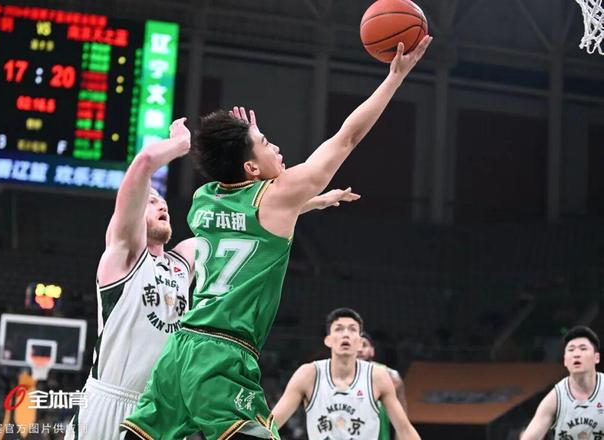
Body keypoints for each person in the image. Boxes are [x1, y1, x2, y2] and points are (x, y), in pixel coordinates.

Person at [121, 36, 432, 440]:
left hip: (179, 351)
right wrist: (395, 78)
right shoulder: (277, 196)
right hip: (223, 354)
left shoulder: (203, 199)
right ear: (251, 168)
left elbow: (250, 221)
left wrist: (308, 200)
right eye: (266, 144)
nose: (277, 147)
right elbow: (347, 138)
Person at [65, 119, 196, 440]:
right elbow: (144, 163)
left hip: (159, 412)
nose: (161, 204)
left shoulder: (182, 263)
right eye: (151, 201)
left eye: (163, 203)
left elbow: (238, 227)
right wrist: (180, 144)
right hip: (108, 403)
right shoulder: (123, 254)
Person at [271, 308, 420, 439]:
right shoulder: (309, 374)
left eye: (352, 329)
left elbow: (405, 430)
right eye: (339, 329)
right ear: (328, 340)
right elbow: (271, 425)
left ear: (360, 342)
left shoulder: (377, 376)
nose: (346, 334)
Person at [520, 326, 604, 440]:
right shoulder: (555, 398)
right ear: (565, 360)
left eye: (583, 349)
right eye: (571, 350)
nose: (576, 354)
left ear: (596, 358)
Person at [358, 332, 408, 440]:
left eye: (364, 345)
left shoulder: (391, 376)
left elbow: (402, 422)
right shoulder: (336, 378)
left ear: (372, 351)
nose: (359, 349)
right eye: (356, 345)